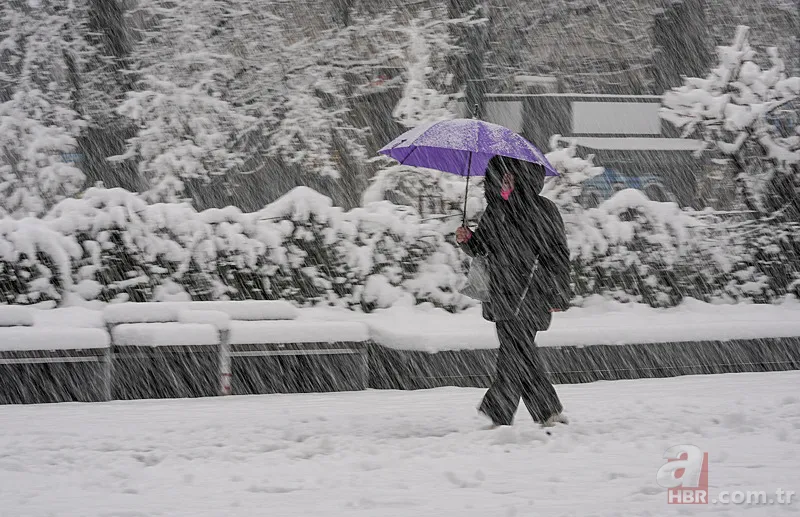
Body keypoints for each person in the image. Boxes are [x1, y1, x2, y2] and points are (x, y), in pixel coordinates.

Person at [456, 154, 571, 428]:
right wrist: (468, 240)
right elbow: (483, 248)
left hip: (532, 293)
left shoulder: (544, 210)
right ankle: (546, 412)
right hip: (501, 292)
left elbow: (558, 254)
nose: (505, 180)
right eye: (501, 175)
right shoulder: (495, 211)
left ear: (526, 177)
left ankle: (501, 409)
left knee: (516, 350)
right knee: (519, 352)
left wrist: (559, 293)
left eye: (512, 175)